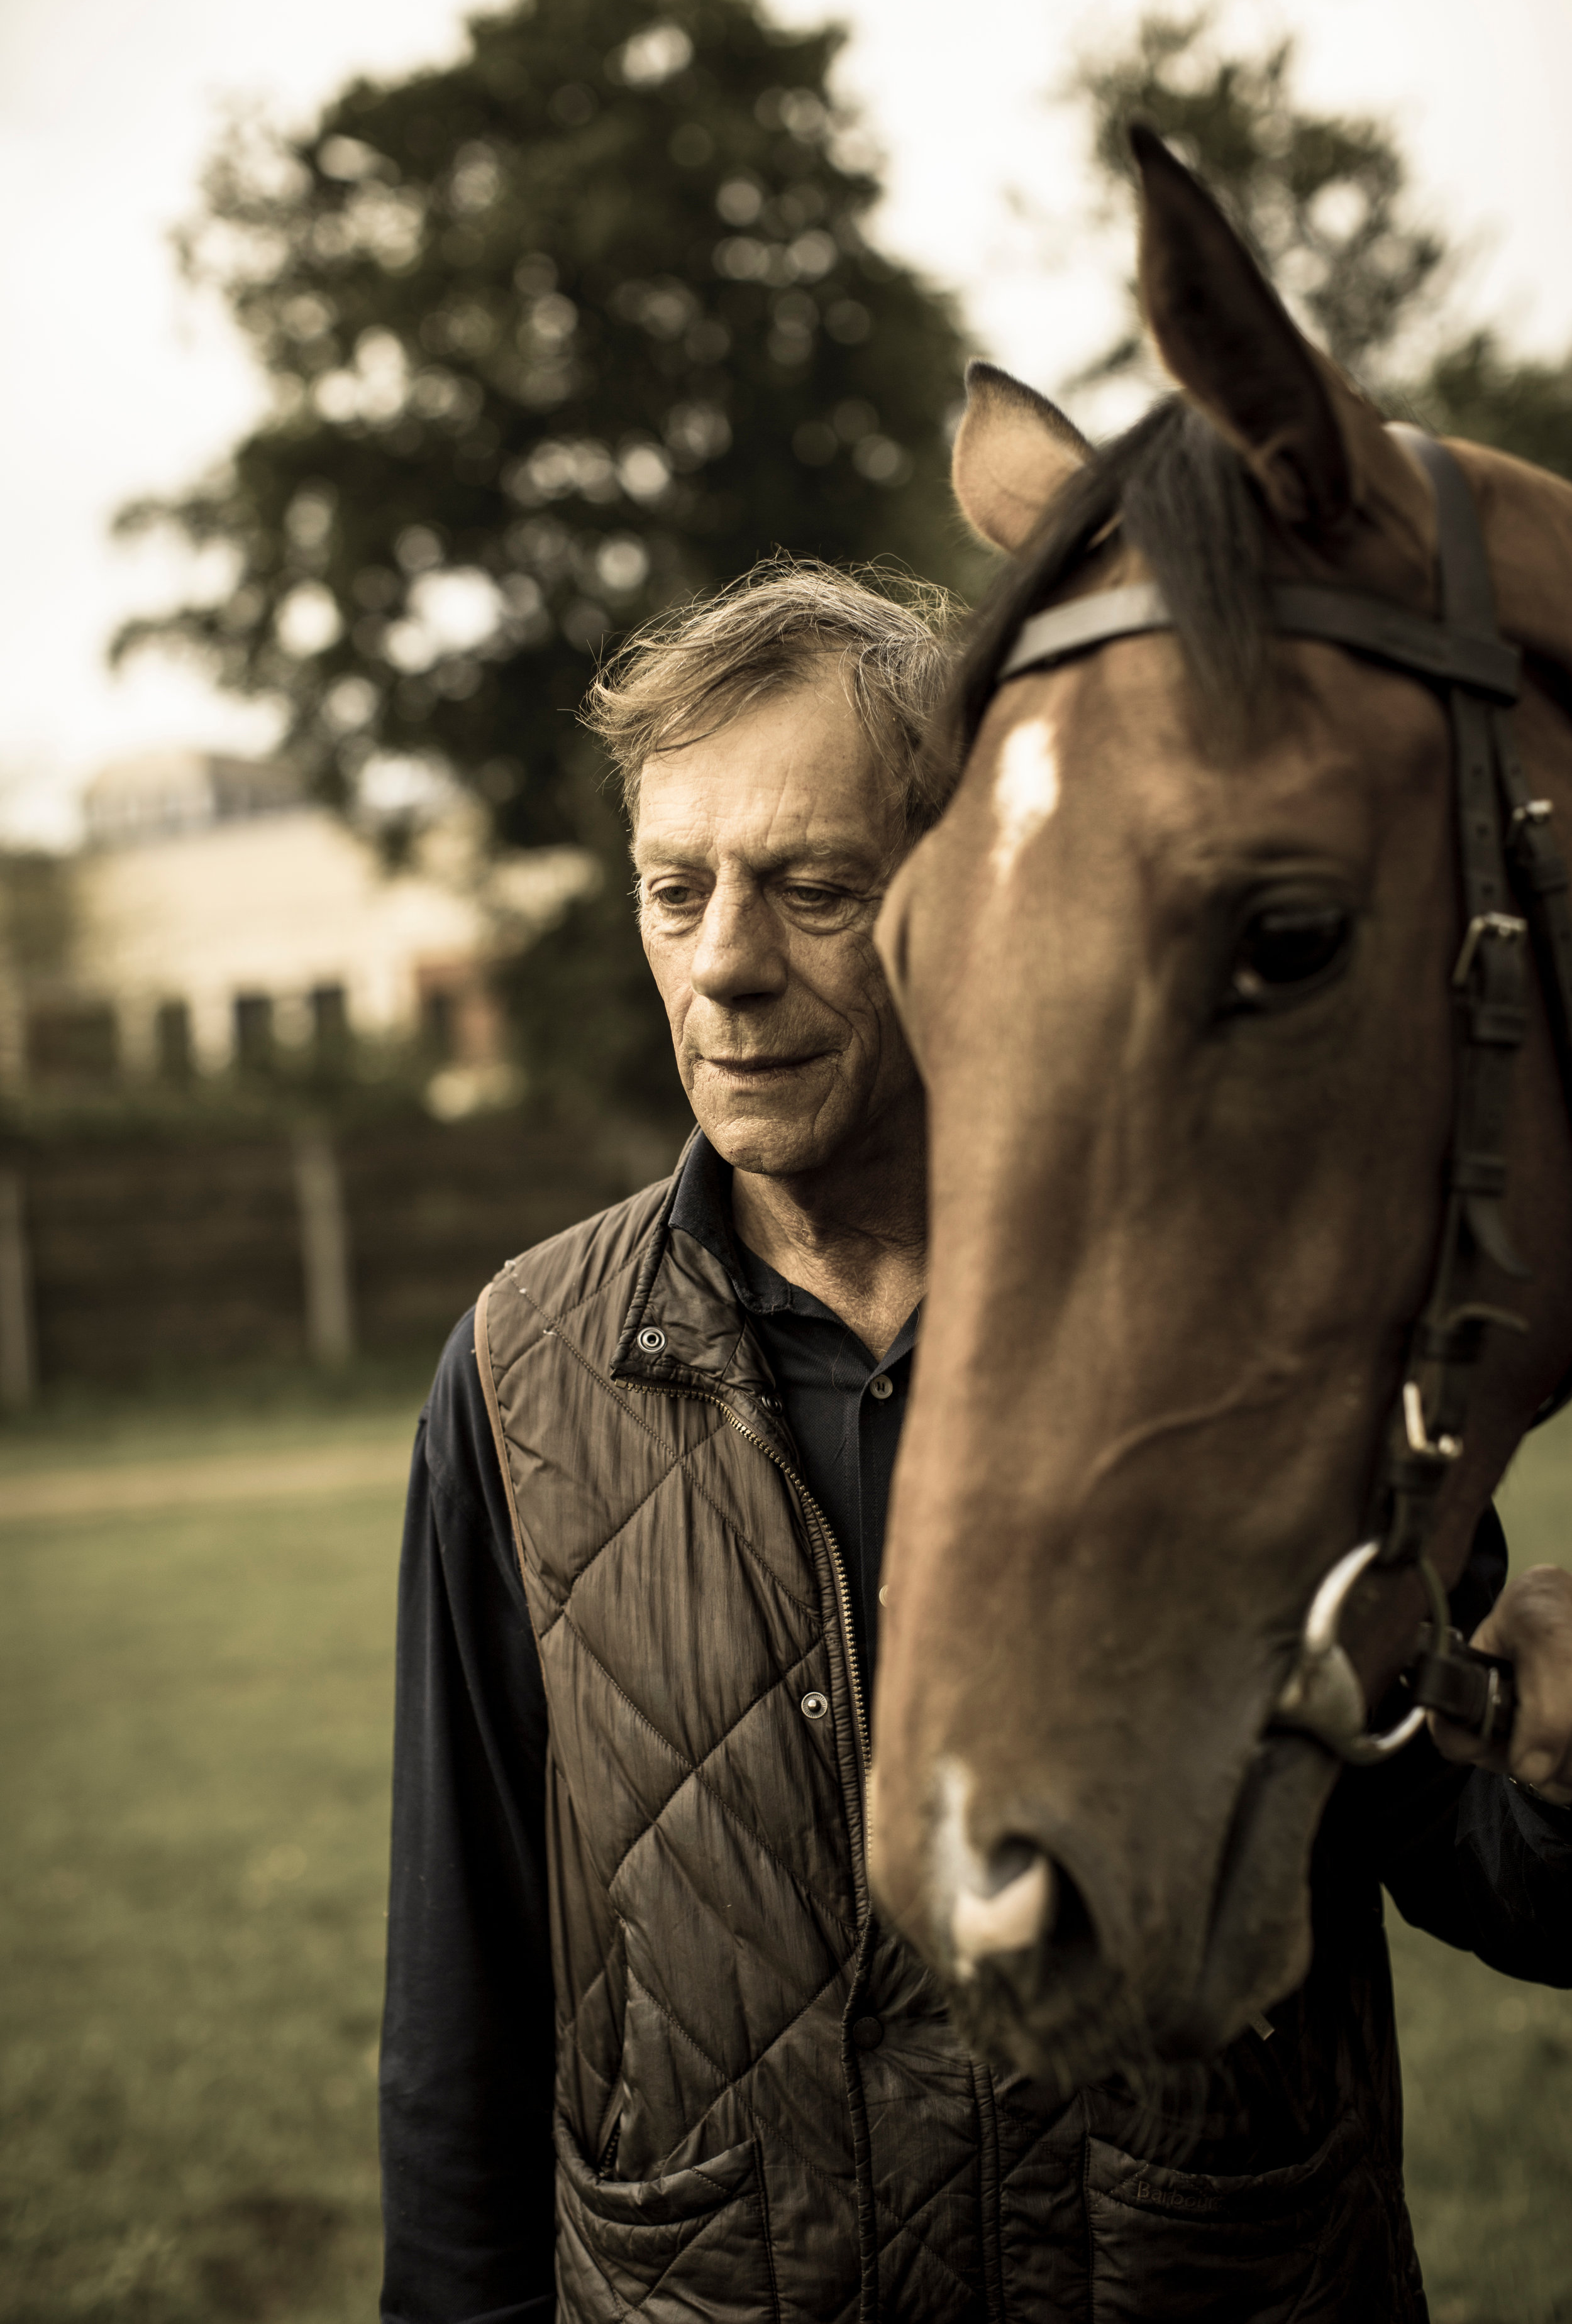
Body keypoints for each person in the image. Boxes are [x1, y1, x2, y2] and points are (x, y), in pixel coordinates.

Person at [379, 558, 1572, 2324]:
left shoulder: (1241, 1304)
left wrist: (1556, 1774)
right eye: (673, 889)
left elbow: (1487, 1864)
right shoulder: (517, 1379)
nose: (723, 966)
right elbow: (460, 2005)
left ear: (972, 897)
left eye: (810, 889)